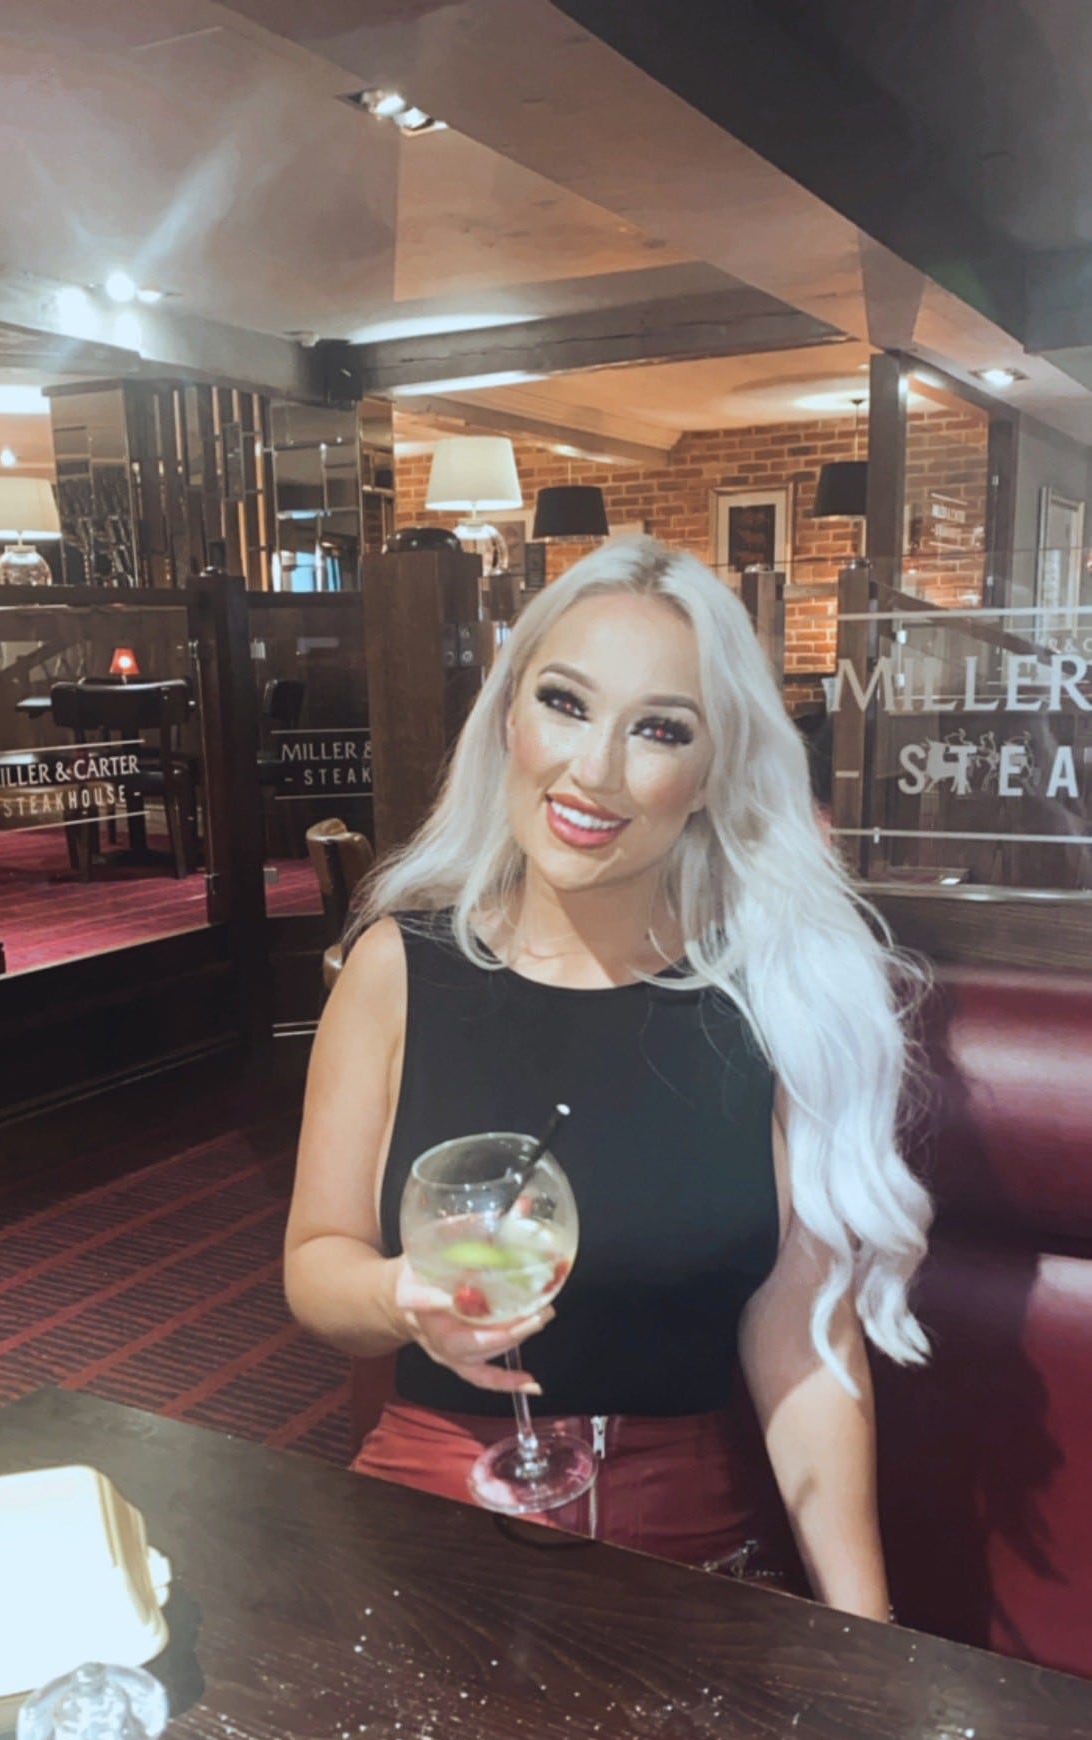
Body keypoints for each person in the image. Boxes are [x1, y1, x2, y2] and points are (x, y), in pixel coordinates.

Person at [285, 536, 934, 1620]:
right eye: (565, 703)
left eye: (659, 729)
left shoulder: (776, 1000)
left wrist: (870, 1635)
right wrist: (402, 1297)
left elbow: (803, 1340)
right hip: (426, 1515)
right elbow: (317, 1266)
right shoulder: (395, 968)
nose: (593, 769)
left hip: (679, 1543)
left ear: (712, 773)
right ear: (509, 717)